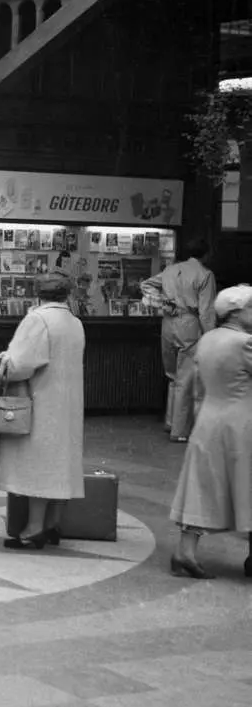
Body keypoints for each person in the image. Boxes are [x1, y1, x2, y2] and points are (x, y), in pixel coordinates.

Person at [0, 271, 86, 549]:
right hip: (67, 402)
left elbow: (20, 363)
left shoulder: (38, 319)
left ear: (37, 293)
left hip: (42, 400)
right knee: (61, 462)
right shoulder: (74, 321)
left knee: (39, 464)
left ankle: (34, 527)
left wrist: (3, 360)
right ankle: (52, 523)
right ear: (67, 294)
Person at [168, 285, 252, 580]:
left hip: (209, 420)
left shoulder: (208, 339)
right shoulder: (245, 343)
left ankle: (185, 552)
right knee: (246, 484)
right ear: (238, 311)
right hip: (242, 423)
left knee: (201, 486)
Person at [141, 238, 217, 442]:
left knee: (172, 375)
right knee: (186, 378)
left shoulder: (170, 270)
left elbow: (146, 285)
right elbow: (206, 312)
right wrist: (212, 337)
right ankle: (180, 430)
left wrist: (163, 304)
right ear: (206, 254)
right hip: (189, 323)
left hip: (168, 322)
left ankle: (170, 421)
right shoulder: (205, 274)